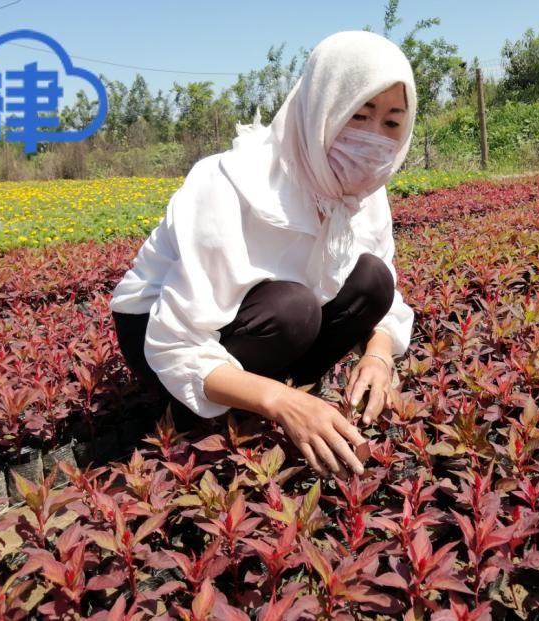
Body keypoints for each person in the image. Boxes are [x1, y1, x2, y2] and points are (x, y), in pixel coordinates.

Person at [109, 30, 417, 479]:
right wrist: (283, 403)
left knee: (372, 282)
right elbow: (174, 342)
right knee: (294, 310)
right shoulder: (231, 182)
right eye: (358, 115)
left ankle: (277, 386)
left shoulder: (363, 190)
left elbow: (386, 291)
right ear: (321, 108)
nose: (373, 141)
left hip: (268, 311)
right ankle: (201, 414)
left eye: (391, 123)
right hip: (158, 328)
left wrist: (378, 356)